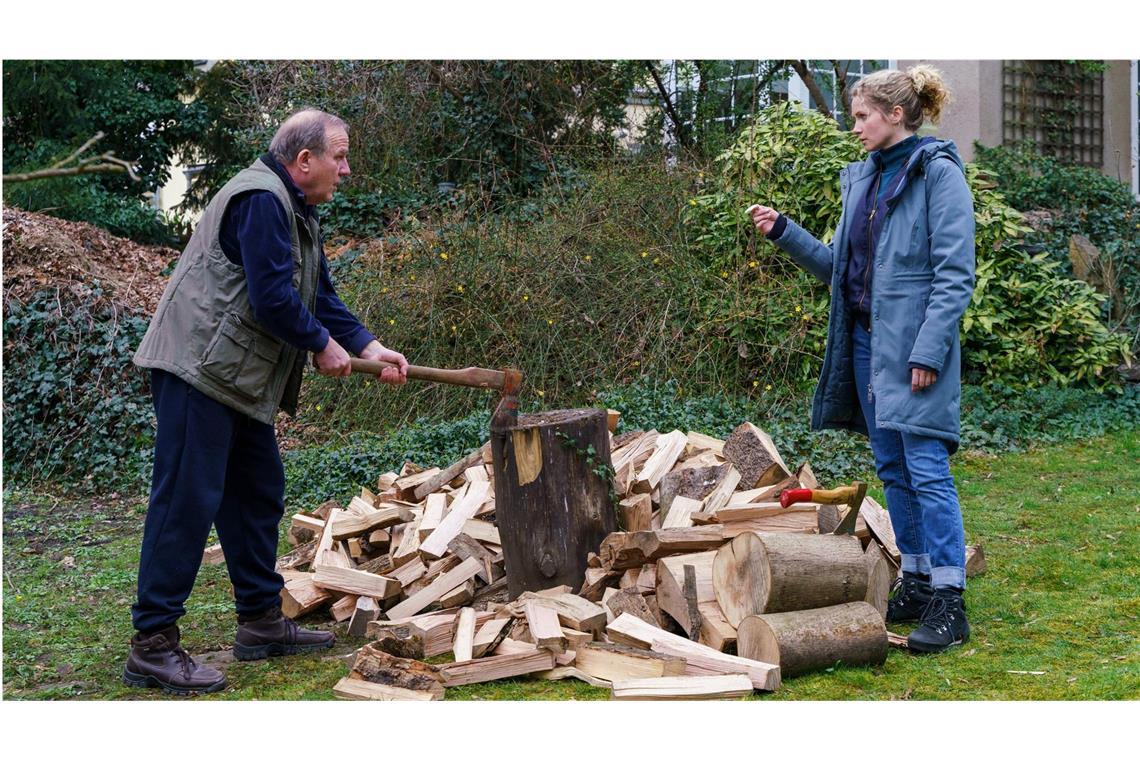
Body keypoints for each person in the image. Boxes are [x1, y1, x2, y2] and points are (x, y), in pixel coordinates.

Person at [126, 109, 409, 694]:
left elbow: (318, 294)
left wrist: (369, 346)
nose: (346, 168)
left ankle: (260, 623)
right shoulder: (260, 200)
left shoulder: (295, 210)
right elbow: (272, 298)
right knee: (186, 500)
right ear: (303, 160)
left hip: (233, 377)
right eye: (340, 156)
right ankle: (152, 645)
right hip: (197, 369)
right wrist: (322, 347)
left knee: (256, 491)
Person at [749, 66, 975, 654]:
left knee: (926, 468)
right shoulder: (864, 180)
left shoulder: (939, 175)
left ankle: (951, 601)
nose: (856, 127)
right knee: (894, 469)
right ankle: (919, 579)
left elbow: (954, 277)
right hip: (868, 348)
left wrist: (928, 352)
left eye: (862, 116)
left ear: (895, 114)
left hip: (915, 352)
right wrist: (785, 232)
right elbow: (843, 274)